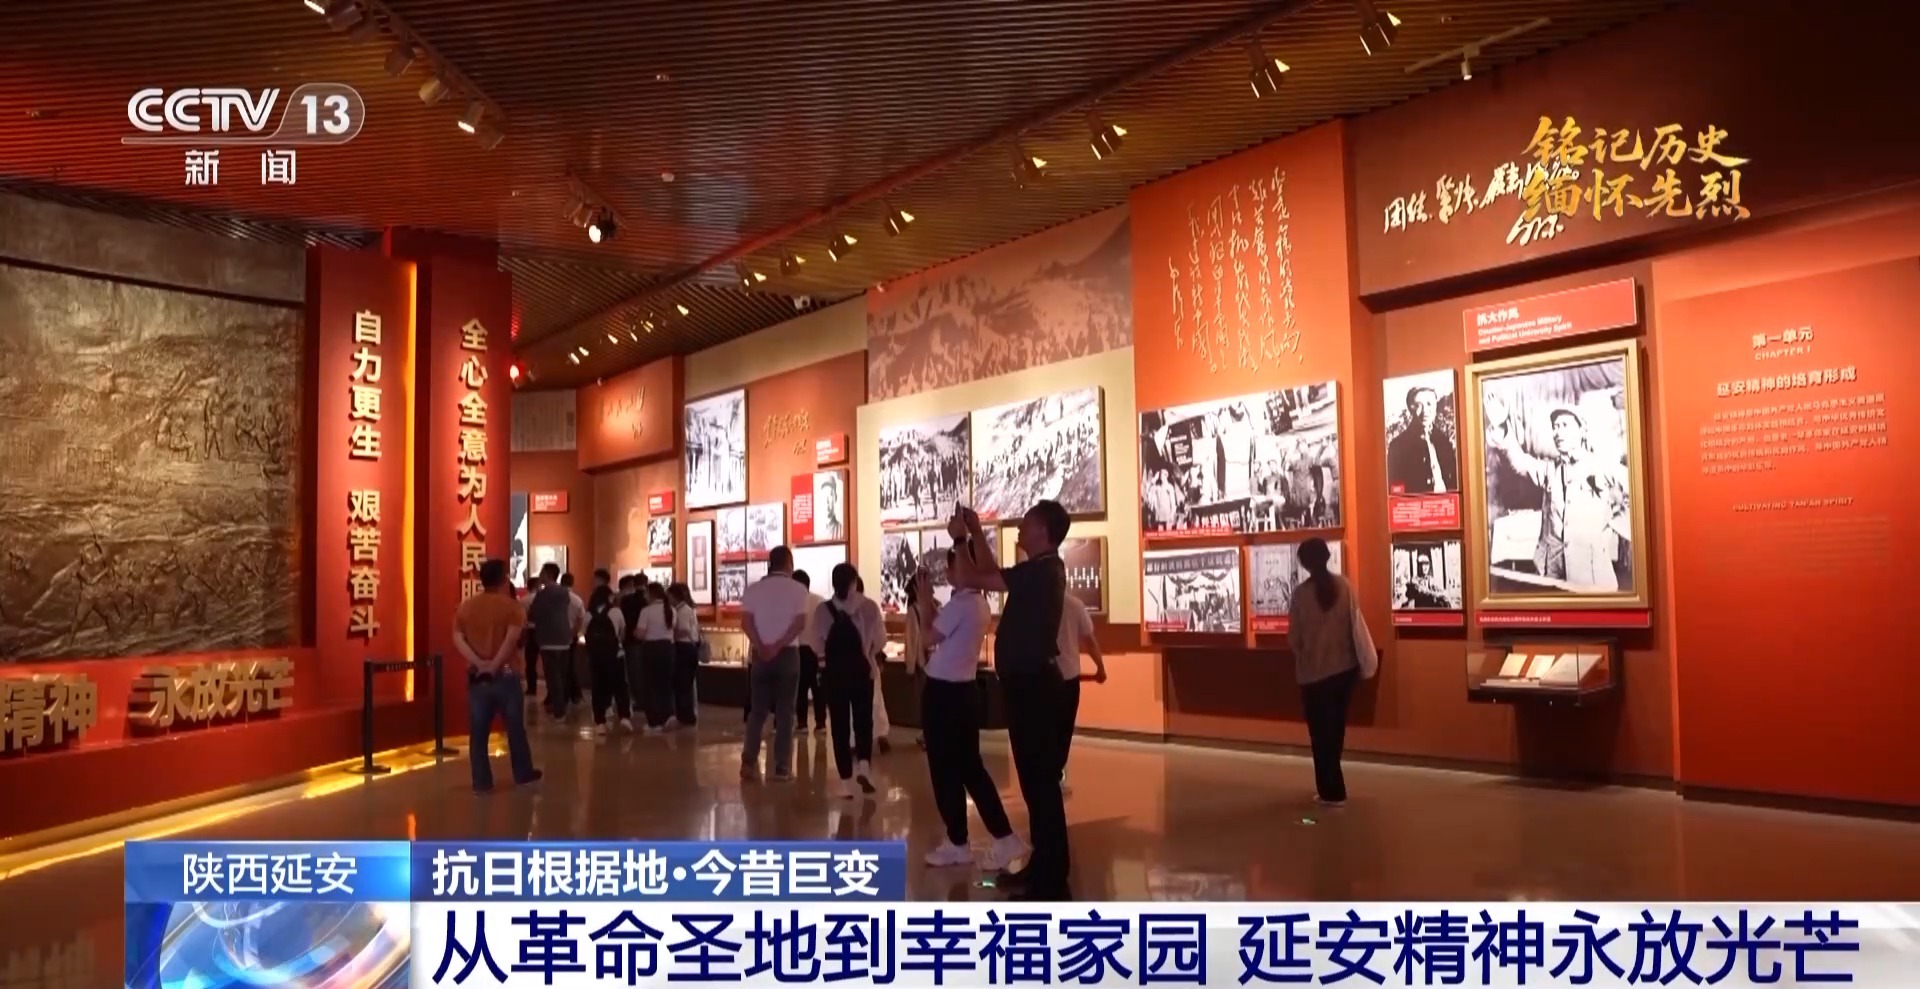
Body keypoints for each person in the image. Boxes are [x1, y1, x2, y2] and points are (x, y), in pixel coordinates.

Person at [949, 500, 1072, 900]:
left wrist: (961, 540)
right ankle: (1044, 866)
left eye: (1026, 524)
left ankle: (1050, 875)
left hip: (1034, 687)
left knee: (1041, 784)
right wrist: (976, 532)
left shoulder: (1041, 571)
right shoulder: (1041, 570)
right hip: (1028, 686)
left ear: (1043, 532)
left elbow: (971, 576)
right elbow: (989, 574)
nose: (1019, 529)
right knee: (1036, 784)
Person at [917, 547, 1025, 869]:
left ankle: (959, 842)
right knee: (969, 768)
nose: (949, 573)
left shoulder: (962, 604)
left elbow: (927, 637)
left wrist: (923, 601)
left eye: (952, 567)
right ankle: (1001, 836)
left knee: (945, 771)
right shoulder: (978, 603)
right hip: (963, 691)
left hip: (944, 693)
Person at [1487, 403, 1630, 591]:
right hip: (1552, 574)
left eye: (1564, 425)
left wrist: (1613, 519)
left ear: (1582, 430)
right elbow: (1521, 462)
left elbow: (1635, 488)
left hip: (1591, 577)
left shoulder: (1600, 467)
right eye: (1555, 427)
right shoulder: (1551, 470)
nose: (1558, 432)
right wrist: (1501, 425)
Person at [453, 558, 540, 792]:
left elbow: (458, 639)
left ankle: (481, 782)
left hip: (476, 675)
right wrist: (494, 666)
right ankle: (523, 774)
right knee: (515, 728)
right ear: (503, 579)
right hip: (506, 672)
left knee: (478, 732)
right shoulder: (512, 607)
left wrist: (479, 663)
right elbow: (511, 640)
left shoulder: (466, 606)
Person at [1287, 537, 1361, 807]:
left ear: (1304, 563)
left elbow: (1294, 638)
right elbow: (1355, 626)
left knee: (1319, 734)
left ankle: (1330, 790)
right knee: (1336, 730)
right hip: (1344, 671)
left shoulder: (1301, 595)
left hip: (1314, 675)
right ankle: (1335, 787)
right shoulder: (1345, 586)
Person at [808, 563, 885, 797]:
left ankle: (845, 781)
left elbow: (815, 643)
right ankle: (864, 766)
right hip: (862, 673)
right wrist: (868, 651)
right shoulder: (869, 607)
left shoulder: (823, 611)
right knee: (863, 720)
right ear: (854, 582)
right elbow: (880, 641)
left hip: (834, 675)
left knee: (839, 725)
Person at [739, 546, 810, 781]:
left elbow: (746, 623)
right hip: (788, 654)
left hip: (760, 655)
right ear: (789, 563)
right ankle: (781, 767)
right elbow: (799, 624)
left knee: (757, 711)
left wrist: (762, 646)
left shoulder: (753, 589)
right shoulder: (798, 589)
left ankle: (748, 762)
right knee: (785, 711)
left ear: (770, 563)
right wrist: (778, 646)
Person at [1054, 590, 1106, 795]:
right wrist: (1100, 668)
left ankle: (1045, 776)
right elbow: (1090, 641)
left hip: (1042, 678)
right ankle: (1055, 774)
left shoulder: (1036, 603)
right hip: (1068, 678)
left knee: (1044, 729)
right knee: (1063, 731)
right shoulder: (1075, 605)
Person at [525, 563, 582, 721]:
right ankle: (563, 705)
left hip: (548, 639)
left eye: (542, 572)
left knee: (553, 676)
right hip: (564, 638)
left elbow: (532, 614)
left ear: (548, 574)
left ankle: (559, 711)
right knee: (563, 674)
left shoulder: (542, 594)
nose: (540, 575)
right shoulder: (564, 593)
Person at [1386, 385, 1458, 495]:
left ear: (1435, 406)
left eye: (1429, 404)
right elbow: (1396, 491)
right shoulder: (1398, 446)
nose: (1425, 411)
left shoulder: (1444, 442)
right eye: (1418, 405)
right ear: (1411, 409)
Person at [584, 571, 631, 734]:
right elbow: (622, 633)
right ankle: (624, 717)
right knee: (620, 686)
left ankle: (600, 722)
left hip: (596, 657)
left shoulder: (589, 614)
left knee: (598, 687)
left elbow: (585, 633)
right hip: (615, 655)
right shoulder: (616, 612)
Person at [854, 575, 893, 754]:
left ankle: (854, 741)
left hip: (846, 665)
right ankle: (880, 735)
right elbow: (881, 638)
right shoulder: (870, 607)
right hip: (868, 662)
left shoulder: (836, 608)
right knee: (875, 700)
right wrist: (872, 651)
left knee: (851, 705)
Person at [633, 582, 675, 732]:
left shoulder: (646, 611)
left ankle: (654, 721)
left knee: (651, 685)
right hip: (668, 648)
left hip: (651, 649)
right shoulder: (671, 610)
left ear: (650, 594)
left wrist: (634, 633)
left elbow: (641, 633)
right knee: (665, 684)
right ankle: (667, 715)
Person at [792, 569, 828, 735]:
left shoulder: (793, 603)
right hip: (818, 650)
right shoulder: (819, 600)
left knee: (801, 688)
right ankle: (821, 723)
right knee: (818, 688)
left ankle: (802, 723)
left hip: (800, 649)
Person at [902, 577, 932, 750]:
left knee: (924, 701)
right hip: (934, 660)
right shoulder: (934, 606)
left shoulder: (914, 610)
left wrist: (910, 667)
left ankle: (928, 734)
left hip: (922, 661)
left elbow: (911, 639)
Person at [668, 582, 702, 726]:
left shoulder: (682, 611)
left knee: (683, 684)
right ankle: (685, 714)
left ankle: (685, 716)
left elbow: (685, 630)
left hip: (684, 647)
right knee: (685, 684)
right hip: (689, 648)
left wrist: (670, 633)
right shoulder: (687, 609)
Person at [558, 572, 587, 707]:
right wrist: (574, 632)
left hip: (556, 636)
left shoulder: (555, 598)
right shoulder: (577, 600)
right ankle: (575, 695)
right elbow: (581, 619)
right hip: (571, 635)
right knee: (570, 665)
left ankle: (560, 695)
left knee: (557, 667)